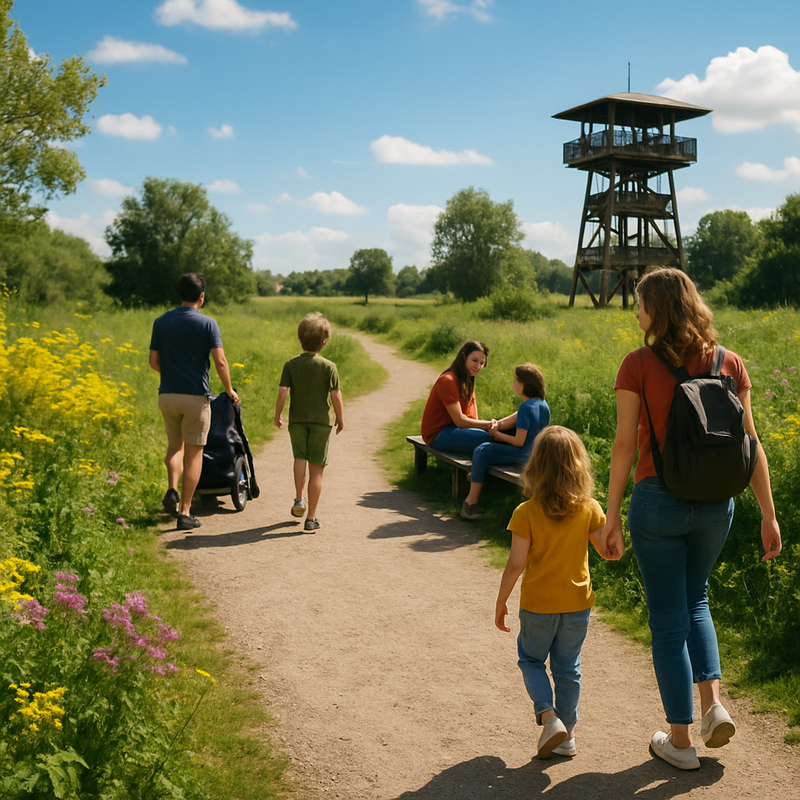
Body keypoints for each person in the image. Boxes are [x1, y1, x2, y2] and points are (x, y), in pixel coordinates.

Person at [600, 267, 782, 770]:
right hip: (716, 506)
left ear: (658, 309)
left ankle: (679, 743)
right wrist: (769, 515)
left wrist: (610, 516)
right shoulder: (730, 363)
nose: (636, 314)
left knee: (666, 619)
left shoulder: (636, 364)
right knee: (697, 600)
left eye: (640, 305)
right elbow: (751, 445)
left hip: (657, 501)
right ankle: (713, 706)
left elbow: (622, 447)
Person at [495, 426, 610, 759]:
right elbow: (606, 549)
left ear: (536, 467)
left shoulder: (526, 512)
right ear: (578, 466)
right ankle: (568, 736)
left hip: (538, 606)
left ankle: (549, 716)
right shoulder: (589, 508)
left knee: (531, 659)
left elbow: (516, 563)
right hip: (577, 605)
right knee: (567, 668)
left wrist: (502, 601)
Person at [149, 272, 239, 531]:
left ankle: (171, 490)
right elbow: (220, 361)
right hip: (195, 397)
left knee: (174, 446)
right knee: (194, 453)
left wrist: (172, 376)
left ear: (180, 294)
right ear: (202, 296)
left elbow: (153, 362)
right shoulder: (208, 324)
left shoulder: (161, 322)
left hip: (167, 395)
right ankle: (185, 511)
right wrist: (229, 389)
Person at [274, 312, 344, 532]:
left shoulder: (291, 365)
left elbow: (284, 390)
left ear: (299, 338)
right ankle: (311, 518)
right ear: (324, 342)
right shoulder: (329, 366)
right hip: (321, 422)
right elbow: (335, 396)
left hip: (297, 420)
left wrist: (278, 414)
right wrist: (340, 419)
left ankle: (298, 498)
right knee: (317, 470)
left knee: (299, 458)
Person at [461, 363, 550, 520]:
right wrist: (496, 425)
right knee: (486, 448)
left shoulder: (525, 408)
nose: (513, 384)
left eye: (515, 381)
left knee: (482, 450)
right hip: (536, 453)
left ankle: (471, 502)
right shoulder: (542, 404)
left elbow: (519, 441)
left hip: (524, 455)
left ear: (524, 384)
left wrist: (497, 435)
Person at [420, 340, 496, 454]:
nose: (478, 366)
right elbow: (459, 420)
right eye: (474, 360)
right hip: (439, 434)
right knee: (491, 439)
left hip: (457, 429)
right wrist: (488, 425)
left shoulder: (468, 380)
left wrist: (488, 428)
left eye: (482, 363)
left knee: (499, 435)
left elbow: (472, 417)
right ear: (464, 356)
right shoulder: (448, 380)